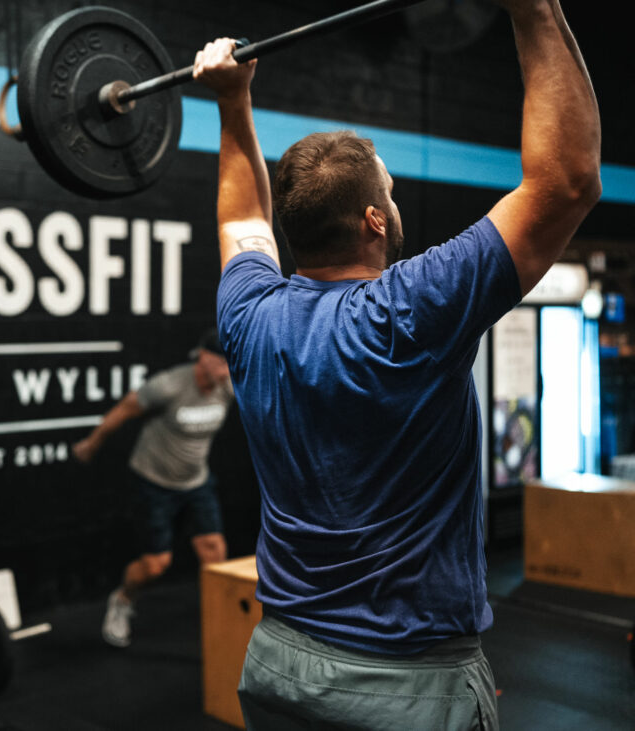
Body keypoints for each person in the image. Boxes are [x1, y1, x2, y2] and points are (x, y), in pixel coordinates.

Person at [193, 0, 600, 728]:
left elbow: (238, 220)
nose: (393, 194)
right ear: (376, 219)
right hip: (407, 686)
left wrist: (232, 101)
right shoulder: (414, 308)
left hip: (279, 663)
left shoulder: (250, 313)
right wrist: (533, 9)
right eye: (389, 187)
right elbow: (566, 181)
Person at [72, 329, 234, 647]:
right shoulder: (169, 385)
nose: (229, 370)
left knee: (215, 553)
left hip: (196, 481)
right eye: (223, 362)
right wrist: (92, 443)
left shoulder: (229, 387)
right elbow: (123, 410)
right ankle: (122, 600)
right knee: (155, 565)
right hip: (154, 483)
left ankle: (224, 626)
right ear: (203, 358)